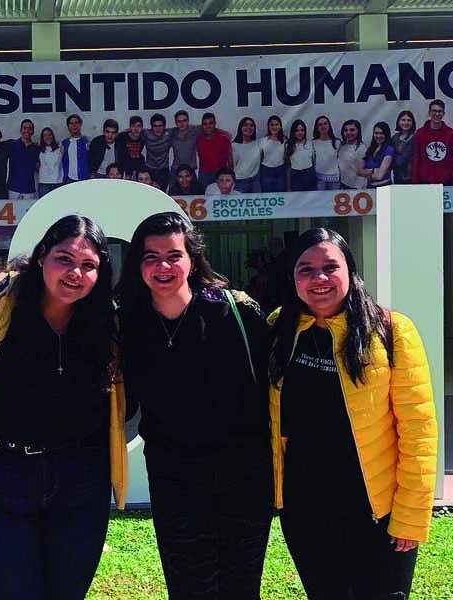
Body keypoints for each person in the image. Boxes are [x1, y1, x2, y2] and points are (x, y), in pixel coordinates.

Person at [0, 214, 127, 600]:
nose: (75, 273)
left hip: (81, 479)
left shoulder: (107, 318)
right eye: (64, 259)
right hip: (2, 475)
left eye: (88, 265)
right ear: (40, 257)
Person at [268, 228, 437, 600]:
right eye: (305, 269)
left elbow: (419, 431)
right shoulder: (279, 329)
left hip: (378, 514)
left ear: (351, 270)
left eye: (330, 266)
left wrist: (410, 515)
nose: (319, 279)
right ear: (293, 277)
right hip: (306, 512)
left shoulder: (391, 331)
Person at [116, 211, 273, 599]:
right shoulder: (126, 326)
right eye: (150, 257)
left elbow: (277, 389)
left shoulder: (237, 312)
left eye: (173, 255)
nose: (163, 266)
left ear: (192, 259)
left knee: (241, 588)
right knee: (190, 589)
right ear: (137, 265)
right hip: (176, 479)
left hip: (246, 476)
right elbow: (121, 403)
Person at [412, 99, 453, 185]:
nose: (437, 114)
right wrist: (415, 182)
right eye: (434, 111)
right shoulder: (420, 133)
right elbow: (416, 159)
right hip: (425, 182)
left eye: (440, 111)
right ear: (429, 113)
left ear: (444, 113)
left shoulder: (450, 133)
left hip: (445, 182)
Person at [196, 112, 233, 188]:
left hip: (220, 174)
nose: (208, 126)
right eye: (205, 124)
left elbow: (230, 158)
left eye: (211, 123)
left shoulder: (223, 138)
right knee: (203, 198)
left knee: (220, 198)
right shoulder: (198, 138)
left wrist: (230, 175)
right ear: (202, 125)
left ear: (215, 124)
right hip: (204, 174)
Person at [7, 119, 41, 199]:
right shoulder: (11, 145)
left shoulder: (36, 148)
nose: (27, 130)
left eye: (30, 128)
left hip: (29, 189)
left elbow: (39, 167)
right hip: (13, 189)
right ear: (20, 130)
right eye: (24, 128)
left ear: (32, 131)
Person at [358, 122, 396, 188]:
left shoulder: (389, 150)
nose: (378, 136)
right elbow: (359, 171)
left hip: (384, 187)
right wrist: (373, 170)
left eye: (381, 133)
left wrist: (366, 174)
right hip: (369, 188)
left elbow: (379, 176)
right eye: (376, 133)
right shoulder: (370, 149)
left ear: (386, 134)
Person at [169, 110, 201, 186]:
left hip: (190, 169)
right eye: (179, 121)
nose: (182, 124)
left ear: (188, 121)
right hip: (176, 169)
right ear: (176, 122)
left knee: (195, 194)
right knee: (172, 195)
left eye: (184, 121)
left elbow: (211, 128)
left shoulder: (195, 130)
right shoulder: (172, 133)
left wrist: (225, 134)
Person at [142, 113, 172, 191]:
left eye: (160, 126)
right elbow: (132, 130)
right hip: (150, 169)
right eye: (155, 126)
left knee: (162, 194)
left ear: (164, 127)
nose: (158, 128)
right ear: (151, 127)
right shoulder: (146, 133)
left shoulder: (169, 134)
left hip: (164, 170)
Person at [286, 119, 316, 192]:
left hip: (310, 175)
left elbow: (313, 160)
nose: (300, 132)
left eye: (302, 130)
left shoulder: (310, 143)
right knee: (297, 200)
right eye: (297, 130)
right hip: (296, 176)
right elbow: (288, 165)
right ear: (293, 132)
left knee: (311, 199)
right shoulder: (288, 145)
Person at [232, 117, 260, 193]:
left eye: (251, 125)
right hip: (240, 182)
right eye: (245, 125)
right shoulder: (233, 145)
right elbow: (231, 166)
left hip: (255, 182)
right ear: (240, 128)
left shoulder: (258, 144)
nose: (249, 127)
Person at [312, 116, 341, 191]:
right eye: (320, 124)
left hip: (334, 180)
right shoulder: (313, 143)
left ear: (329, 125)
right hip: (319, 179)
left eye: (325, 123)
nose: (323, 126)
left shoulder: (337, 142)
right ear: (317, 127)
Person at [259, 115, 287, 192]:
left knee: (280, 197)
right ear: (268, 126)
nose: (274, 127)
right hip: (266, 172)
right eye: (272, 125)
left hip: (280, 171)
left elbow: (286, 157)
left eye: (276, 124)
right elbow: (260, 157)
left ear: (280, 126)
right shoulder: (263, 141)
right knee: (267, 196)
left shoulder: (285, 141)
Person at [338, 120, 367, 190]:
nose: (348, 132)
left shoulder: (362, 148)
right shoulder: (342, 146)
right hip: (344, 184)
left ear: (358, 131)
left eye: (352, 130)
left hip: (356, 187)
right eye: (346, 130)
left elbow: (362, 171)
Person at [115, 115, 146, 180]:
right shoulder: (122, 137)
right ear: (130, 127)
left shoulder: (143, 137)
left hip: (136, 167)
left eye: (138, 126)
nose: (136, 129)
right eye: (133, 126)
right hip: (123, 167)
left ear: (142, 127)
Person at [61, 114, 90, 183]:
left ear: (80, 124)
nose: (74, 125)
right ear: (68, 126)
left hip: (84, 178)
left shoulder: (87, 141)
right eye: (71, 123)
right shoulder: (64, 143)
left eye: (76, 123)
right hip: (69, 179)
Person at [389, 111, 416, 185]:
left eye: (409, 120)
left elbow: (404, 158)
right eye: (403, 120)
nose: (406, 123)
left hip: (410, 177)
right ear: (398, 121)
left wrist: (391, 163)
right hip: (397, 176)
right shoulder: (394, 138)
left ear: (412, 122)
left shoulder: (415, 137)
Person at [38, 127, 63, 197]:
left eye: (49, 134)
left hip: (58, 183)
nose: (47, 137)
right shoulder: (39, 149)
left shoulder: (60, 148)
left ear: (53, 136)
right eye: (45, 135)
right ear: (42, 138)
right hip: (44, 184)